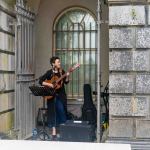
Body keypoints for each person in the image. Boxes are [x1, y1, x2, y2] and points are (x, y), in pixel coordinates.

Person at [39, 56, 69, 140]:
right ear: (53, 64)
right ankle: (54, 133)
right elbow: (40, 81)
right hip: (51, 95)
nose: (59, 63)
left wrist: (67, 76)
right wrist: (50, 84)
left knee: (62, 112)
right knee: (52, 113)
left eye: (59, 62)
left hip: (61, 96)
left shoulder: (61, 71)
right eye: (58, 62)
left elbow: (66, 82)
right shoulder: (49, 73)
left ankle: (64, 132)